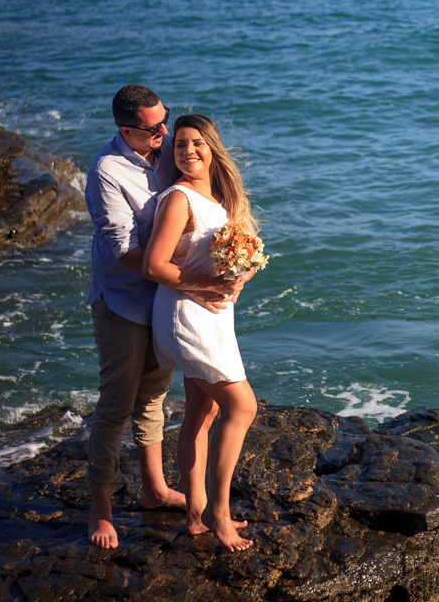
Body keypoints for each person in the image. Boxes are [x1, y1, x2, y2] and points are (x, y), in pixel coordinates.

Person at [84, 86, 238, 549]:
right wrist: (195, 284)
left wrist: (235, 266)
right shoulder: (106, 171)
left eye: (164, 120)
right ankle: (100, 508)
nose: (165, 132)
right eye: (153, 128)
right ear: (125, 130)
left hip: (167, 302)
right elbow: (127, 251)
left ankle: (154, 489)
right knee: (117, 403)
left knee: (153, 397)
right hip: (124, 300)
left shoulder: (169, 151)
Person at [144, 113, 260, 552]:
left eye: (196, 143)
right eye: (180, 144)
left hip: (212, 315)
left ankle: (195, 513)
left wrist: (241, 275)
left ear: (213, 148)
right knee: (242, 407)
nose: (188, 151)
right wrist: (209, 286)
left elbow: (236, 257)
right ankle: (218, 512)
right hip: (185, 316)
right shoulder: (179, 199)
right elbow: (153, 265)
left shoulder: (220, 200)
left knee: (202, 412)